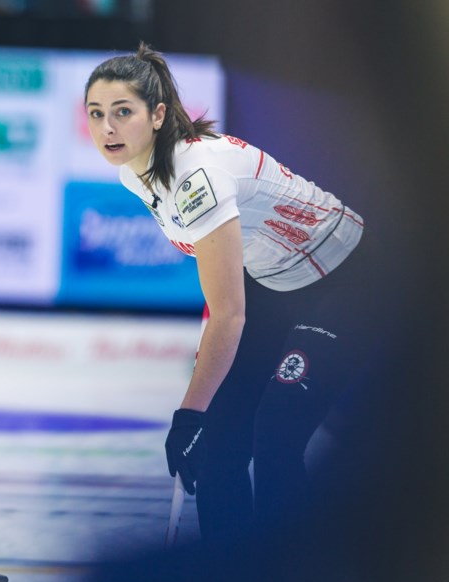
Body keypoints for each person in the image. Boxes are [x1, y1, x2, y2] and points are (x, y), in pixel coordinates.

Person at [83, 43, 378, 548]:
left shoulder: (197, 176)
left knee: (277, 435)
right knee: (219, 446)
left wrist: (188, 412)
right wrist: (203, 416)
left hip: (347, 280)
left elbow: (230, 315)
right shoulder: (134, 173)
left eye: (122, 113)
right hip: (274, 281)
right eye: (96, 114)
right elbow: (224, 274)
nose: (107, 128)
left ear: (157, 115)